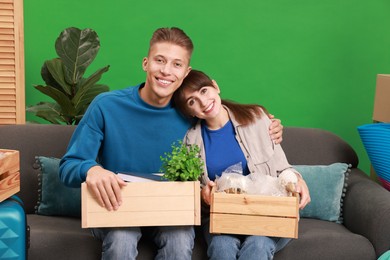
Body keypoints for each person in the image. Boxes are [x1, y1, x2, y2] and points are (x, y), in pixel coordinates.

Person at [59, 27, 284, 260]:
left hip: (170, 212)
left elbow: (226, 122)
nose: (166, 71)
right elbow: (68, 167)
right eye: (160, 60)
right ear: (146, 63)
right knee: (121, 240)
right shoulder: (105, 106)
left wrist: (267, 127)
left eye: (177, 64)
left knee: (180, 240)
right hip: (118, 208)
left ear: (186, 73)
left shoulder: (192, 113)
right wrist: (91, 169)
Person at [173, 69, 311, 260]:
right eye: (192, 101)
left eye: (204, 91)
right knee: (222, 246)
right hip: (223, 217)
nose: (203, 102)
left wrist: (297, 179)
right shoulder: (190, 141)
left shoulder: (257, 118)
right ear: (189, 111)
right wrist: (203, 194)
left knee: (258, 244)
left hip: (268, 212)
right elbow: (189, 192)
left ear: (215, 86)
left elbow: (283, 168)